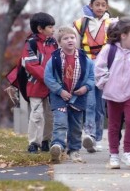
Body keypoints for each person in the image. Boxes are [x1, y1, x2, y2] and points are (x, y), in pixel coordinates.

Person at [95, 18, 130, 169]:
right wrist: (105, 81)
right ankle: (113, 155)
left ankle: (128, 152)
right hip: (112, 94)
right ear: (123, 35)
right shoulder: (109, 50)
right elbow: (99, 67)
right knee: (114, 125)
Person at [44, 26, 94, 163]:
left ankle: (74, 150)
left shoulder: (84, 58)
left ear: (76, 40)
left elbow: (91, 76)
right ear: (60, 42)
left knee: (76, 125)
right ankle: (57, 146)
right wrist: (59, 91)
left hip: (78, 97)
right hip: (59, 96)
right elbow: (48, 77)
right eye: (66, 38)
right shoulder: (54, 59)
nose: (70, 40)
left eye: (72, 37)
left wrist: (86, 87)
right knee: (60, 122)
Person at [73, 0, 113, 153]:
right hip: (87, 66)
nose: (100, 7)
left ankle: (96, 137)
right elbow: (74, 45)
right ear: (91, 5)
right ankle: (88, 134)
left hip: (104, 67)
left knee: (100, 105)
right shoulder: (80, 23)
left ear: (107, 7)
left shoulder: (112, 24)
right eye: (97, 4)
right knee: (89, 103)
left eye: (103, 5)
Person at [21, 12, 58, 153]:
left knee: (49, 115)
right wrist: (48, 78)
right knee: (37, 114)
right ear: (40, 28)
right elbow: (31, 64)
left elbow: (57, 61)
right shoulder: (31, 44)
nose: (53, 29)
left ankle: (46, 140)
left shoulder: (53, 43)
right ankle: (33, 143)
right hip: (35, 85)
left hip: (51, 87)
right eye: (50, 26)